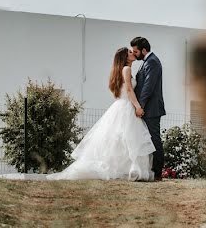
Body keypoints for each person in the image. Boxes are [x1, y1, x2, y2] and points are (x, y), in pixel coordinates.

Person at [48, 47, 156, 181]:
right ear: (124, 57)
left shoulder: (120, 71)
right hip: (126, 106)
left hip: (120, 105)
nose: (132, 53)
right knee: (128, 138)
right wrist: (138, 107)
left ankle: (124, 169)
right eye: (129, 52)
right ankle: (127, 169)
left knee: (120, 139)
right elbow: (129, 90)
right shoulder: (126, 69)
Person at [131, 36, 166, 181]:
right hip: (147, 108)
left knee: (154, 140)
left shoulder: (152, 62)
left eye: (136, 51)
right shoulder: (147, 61)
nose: (134, 54)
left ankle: (157, 173)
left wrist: (141, 106)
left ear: (144, 50)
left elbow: (148, 86)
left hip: (151, 109)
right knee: (148, 139)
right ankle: (149, 169)